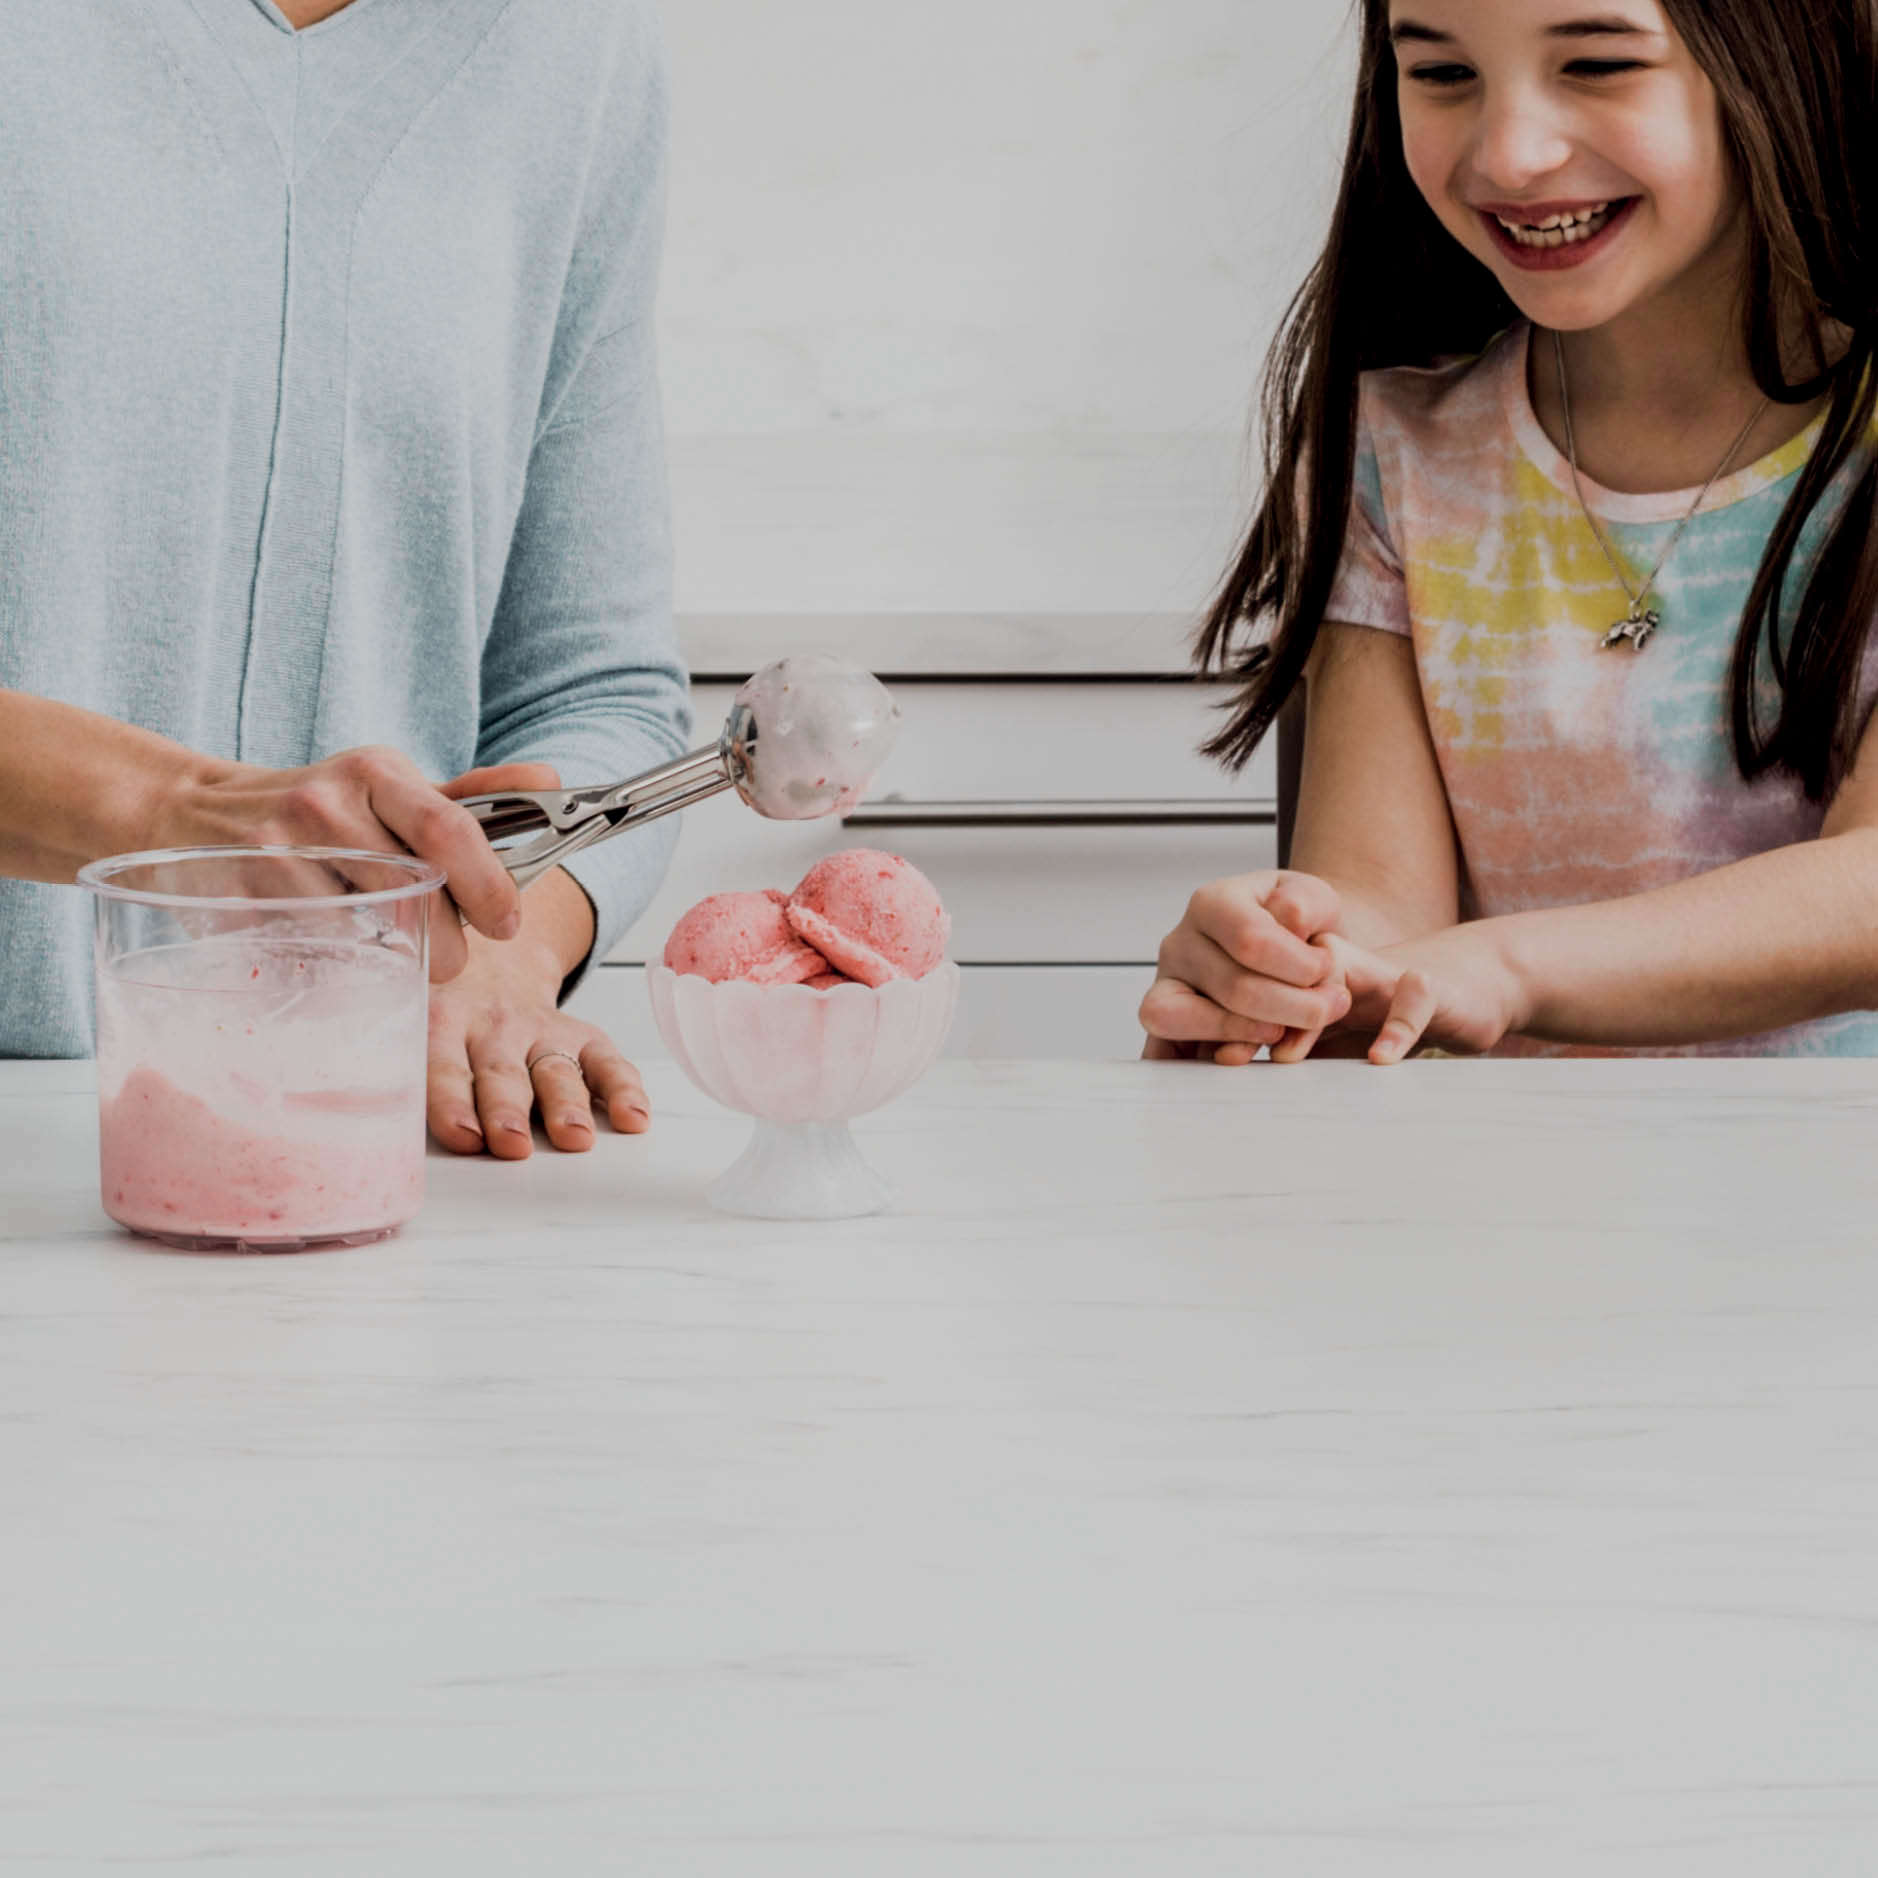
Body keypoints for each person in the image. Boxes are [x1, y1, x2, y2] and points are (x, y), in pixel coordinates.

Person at [0, 0, 691, 1156]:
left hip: (343, 1145)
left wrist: (497, 958)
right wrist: (177, 819)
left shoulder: (577, 48)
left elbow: (598, 690)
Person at [1142, 0, 1878, 1066]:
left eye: (1596, 63)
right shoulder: (1393, 452)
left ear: (1779, 62)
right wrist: (1295, 959)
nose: (1511, 154)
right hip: (1509, 1213)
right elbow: (1384, 916)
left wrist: (1503, 967)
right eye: (1441, 76)